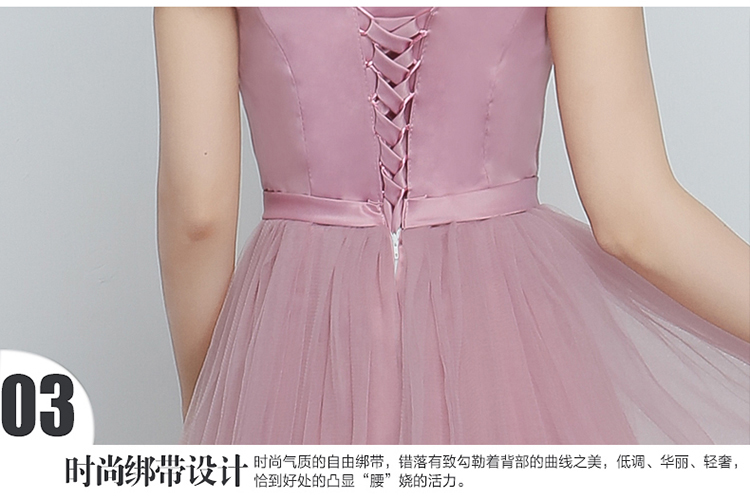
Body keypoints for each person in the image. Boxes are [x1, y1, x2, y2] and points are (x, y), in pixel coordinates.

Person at [154, 7, 750, 444]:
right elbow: (633, 215)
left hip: (299, 334)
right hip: (502, 330)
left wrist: (212, 406)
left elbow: (199, 216)